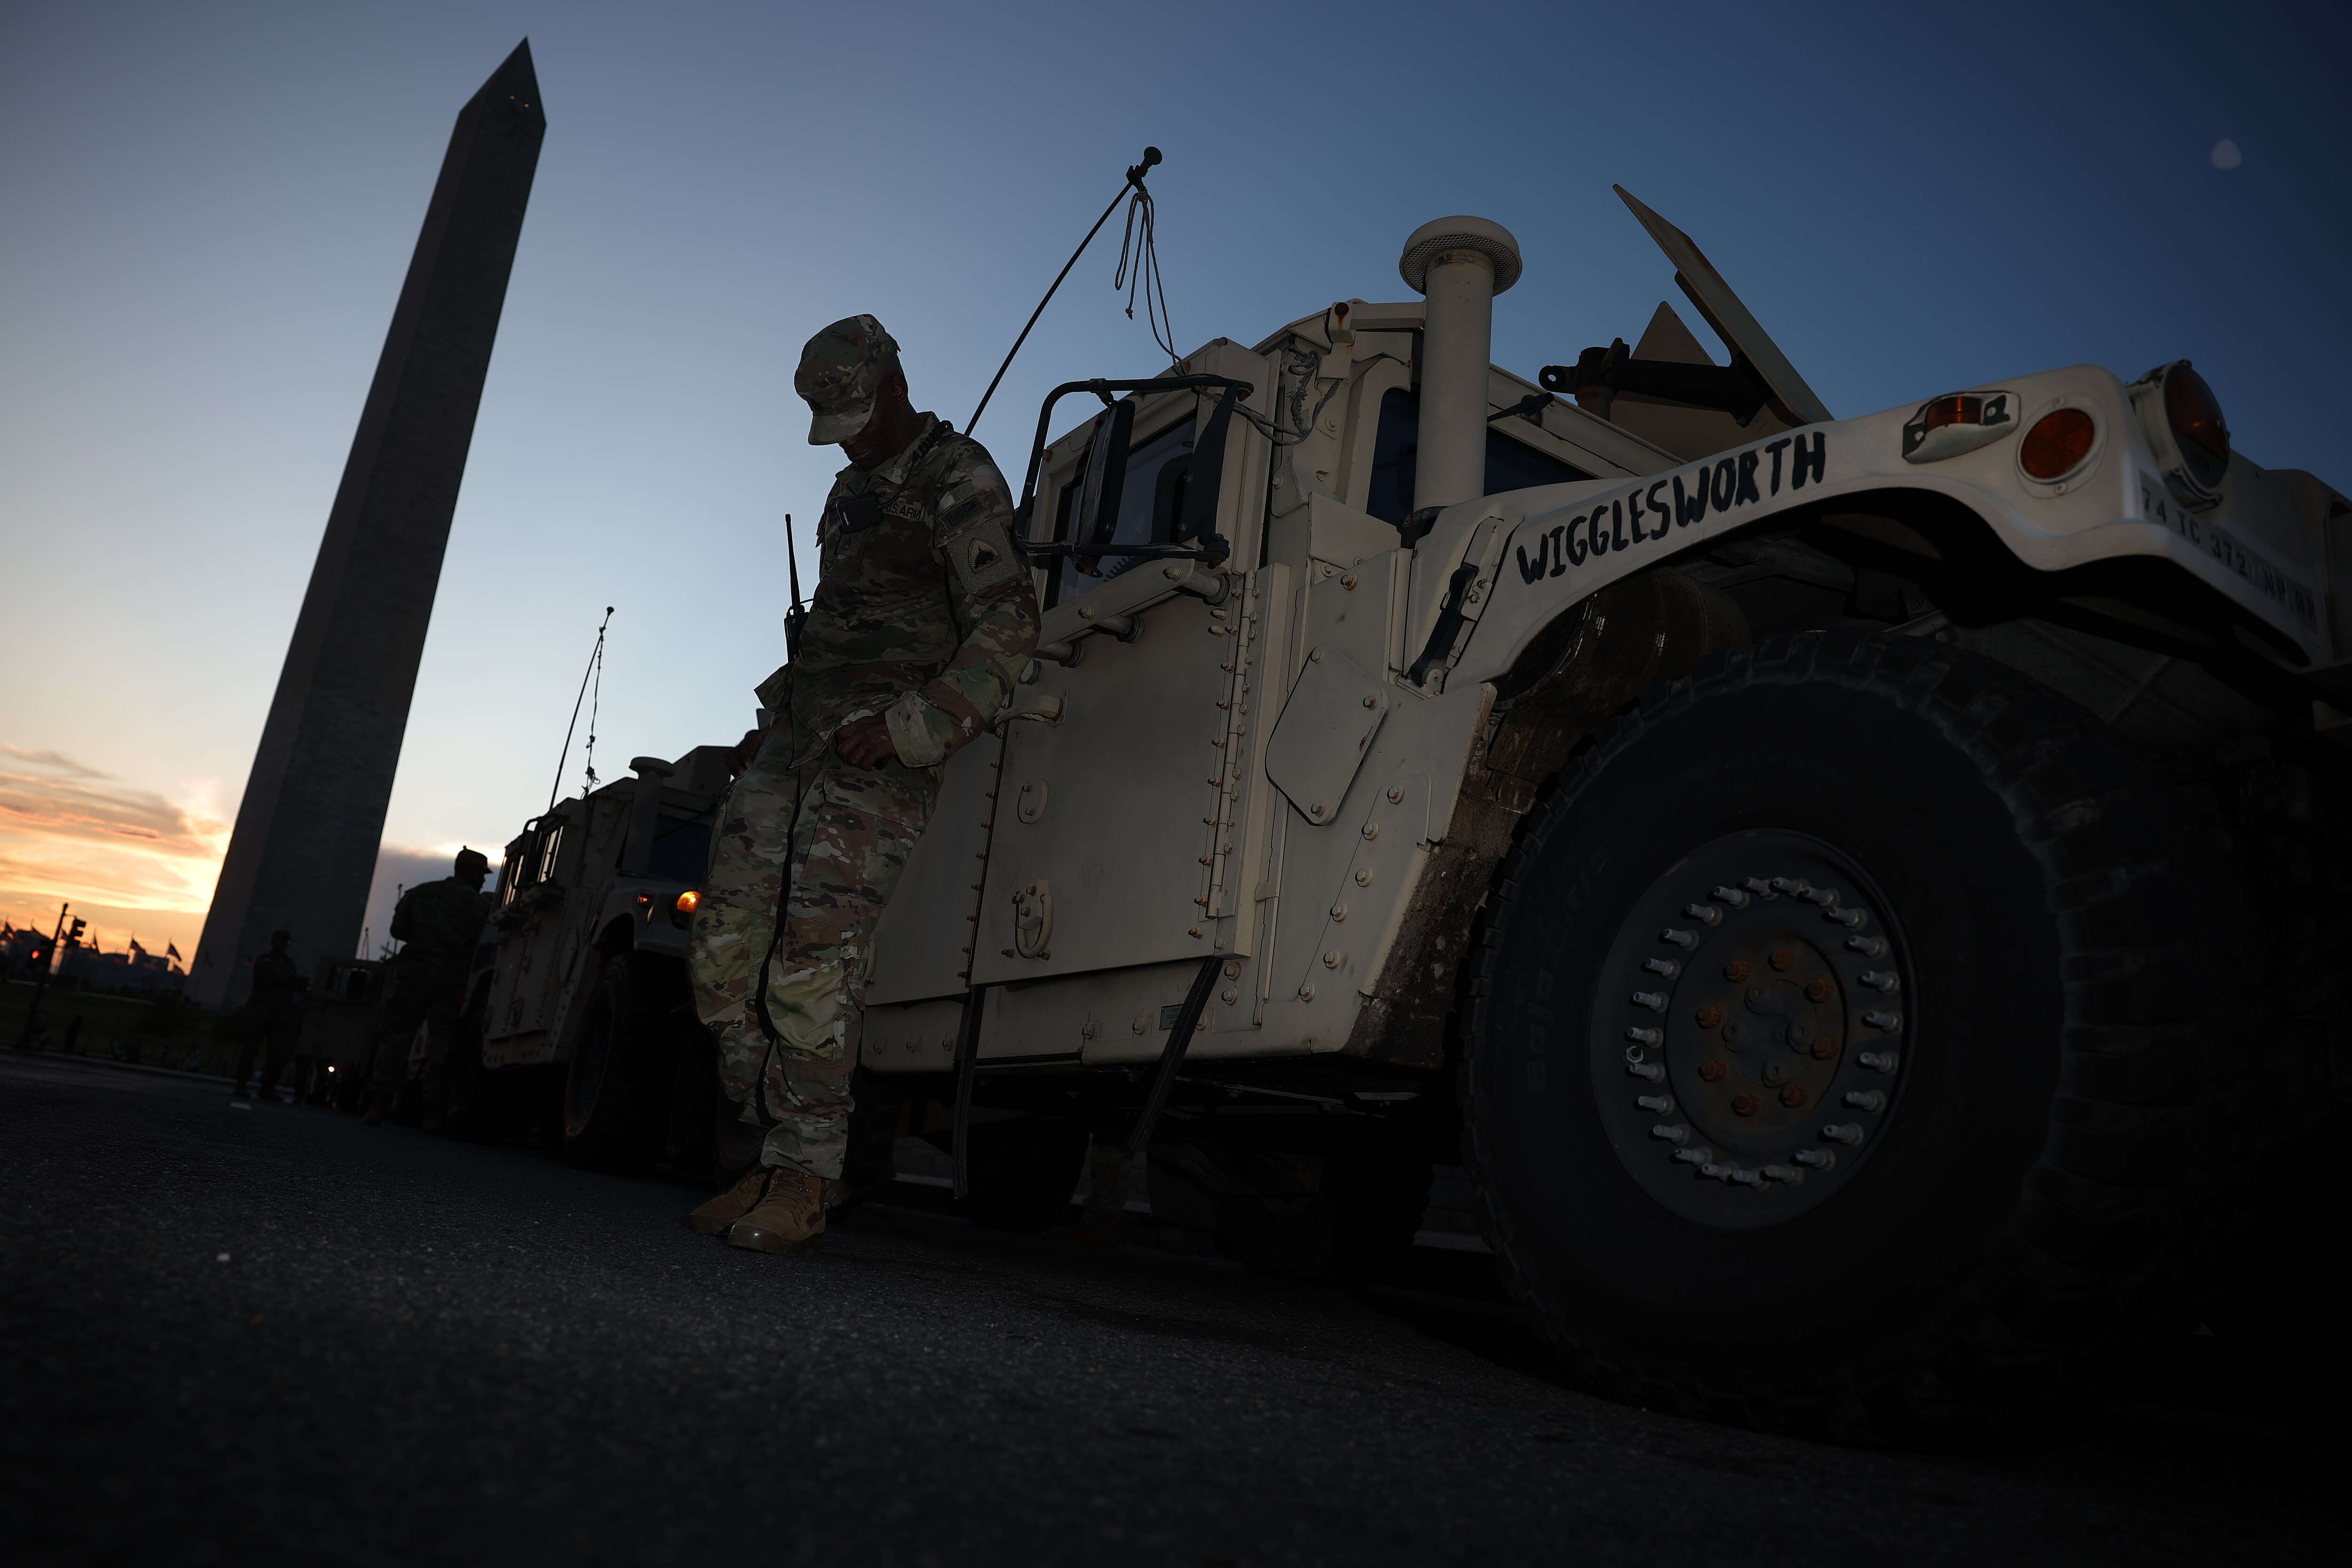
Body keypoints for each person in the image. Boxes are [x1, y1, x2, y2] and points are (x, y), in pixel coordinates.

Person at [685, 315, 1038, 1255]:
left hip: (879, 747)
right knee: (723, 956)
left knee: (812, 959)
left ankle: (806, 1172)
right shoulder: (846, 496)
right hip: (795, 740)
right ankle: (768, 1153)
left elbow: (1006, 620)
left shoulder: (957, 473)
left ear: (891, 384)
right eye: (830, 421)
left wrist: (917, 726)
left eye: (855, 414)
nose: (847, 437)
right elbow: (837, 624)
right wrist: (770, 719)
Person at [361, 849, 494, 1130]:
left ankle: (378, 1105)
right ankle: (432, 1114)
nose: (483, 882)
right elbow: (483, 940)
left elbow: (399, 931)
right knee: (442, 1047)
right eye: (481, 876)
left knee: (396, 1038)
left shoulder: (421, 893)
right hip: (451, 981)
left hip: (413, 976)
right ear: (470, 873)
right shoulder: (479, 905)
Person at [230, 930, 306, 1106]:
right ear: (273, 942)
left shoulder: (289, 963)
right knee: (251, 1050)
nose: (283, 945)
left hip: (279, 1015)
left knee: (277, 1054)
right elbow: (274, 978)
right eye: (280, 941)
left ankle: (268, 1088)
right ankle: (241, 1085)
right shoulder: (265, 960)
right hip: (259, 1012)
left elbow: (292, 984)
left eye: (286, 942)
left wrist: (299, 983)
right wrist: (294, 979)